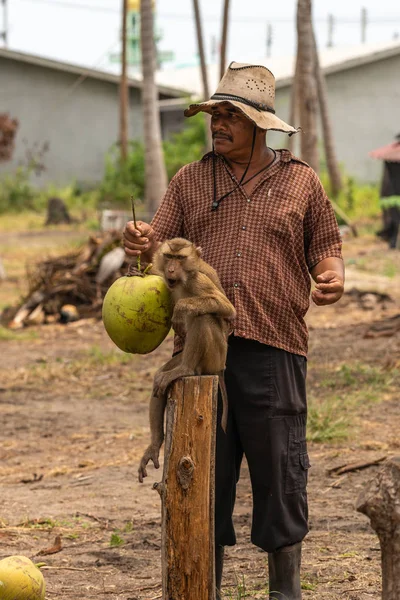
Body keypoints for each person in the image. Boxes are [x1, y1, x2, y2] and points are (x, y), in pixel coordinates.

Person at [123, 62, 344, 600]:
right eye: (215, 115)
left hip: (275, 350)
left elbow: (326, 248)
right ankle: (204, 590)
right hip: (200, 357)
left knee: (280, 480)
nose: (217, 125)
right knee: (200, 480)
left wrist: (332, 275)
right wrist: (139, 240)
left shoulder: (301, 182)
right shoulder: (191, 179)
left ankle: (284, 594)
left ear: (260, 124)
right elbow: (159, 245)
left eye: (230, 117)